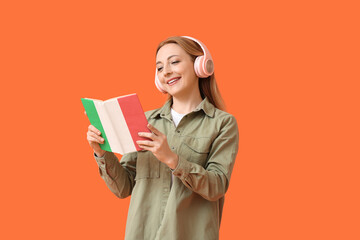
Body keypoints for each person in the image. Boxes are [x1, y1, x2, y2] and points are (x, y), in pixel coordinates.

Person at [86, 36, 239, 240]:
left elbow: (217, 187)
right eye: (159, 67)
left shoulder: (222, 123)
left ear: (200, 65)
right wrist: (101, 151)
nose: (166, 71)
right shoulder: (144, 120)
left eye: (174, 62)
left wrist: (172, 159)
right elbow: (124, 188)